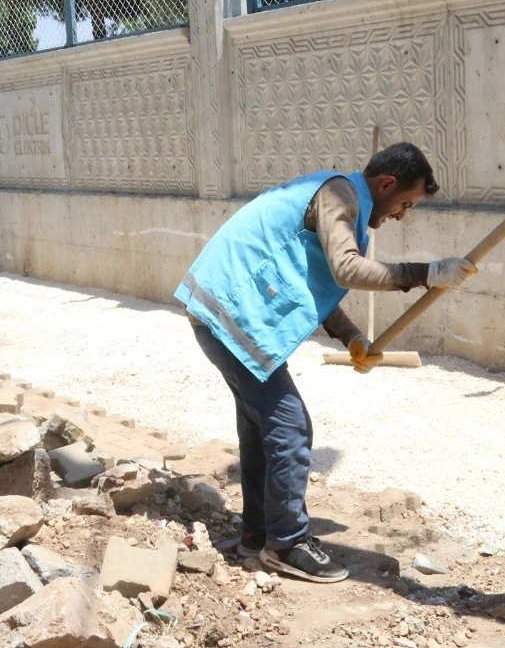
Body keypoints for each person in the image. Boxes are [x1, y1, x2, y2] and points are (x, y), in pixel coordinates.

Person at [174, 143, 476, 583]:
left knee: (262, 430)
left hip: (221, 314)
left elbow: (311, 279)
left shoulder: (338, 198)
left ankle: (257, 536)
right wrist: (425, 272)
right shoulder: (339, 196)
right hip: (229, 316)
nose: (401, 215)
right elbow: (346, 270)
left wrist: (351, 335)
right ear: (387, 184)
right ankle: (288, 543)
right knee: (290, 426)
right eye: (405, 203)